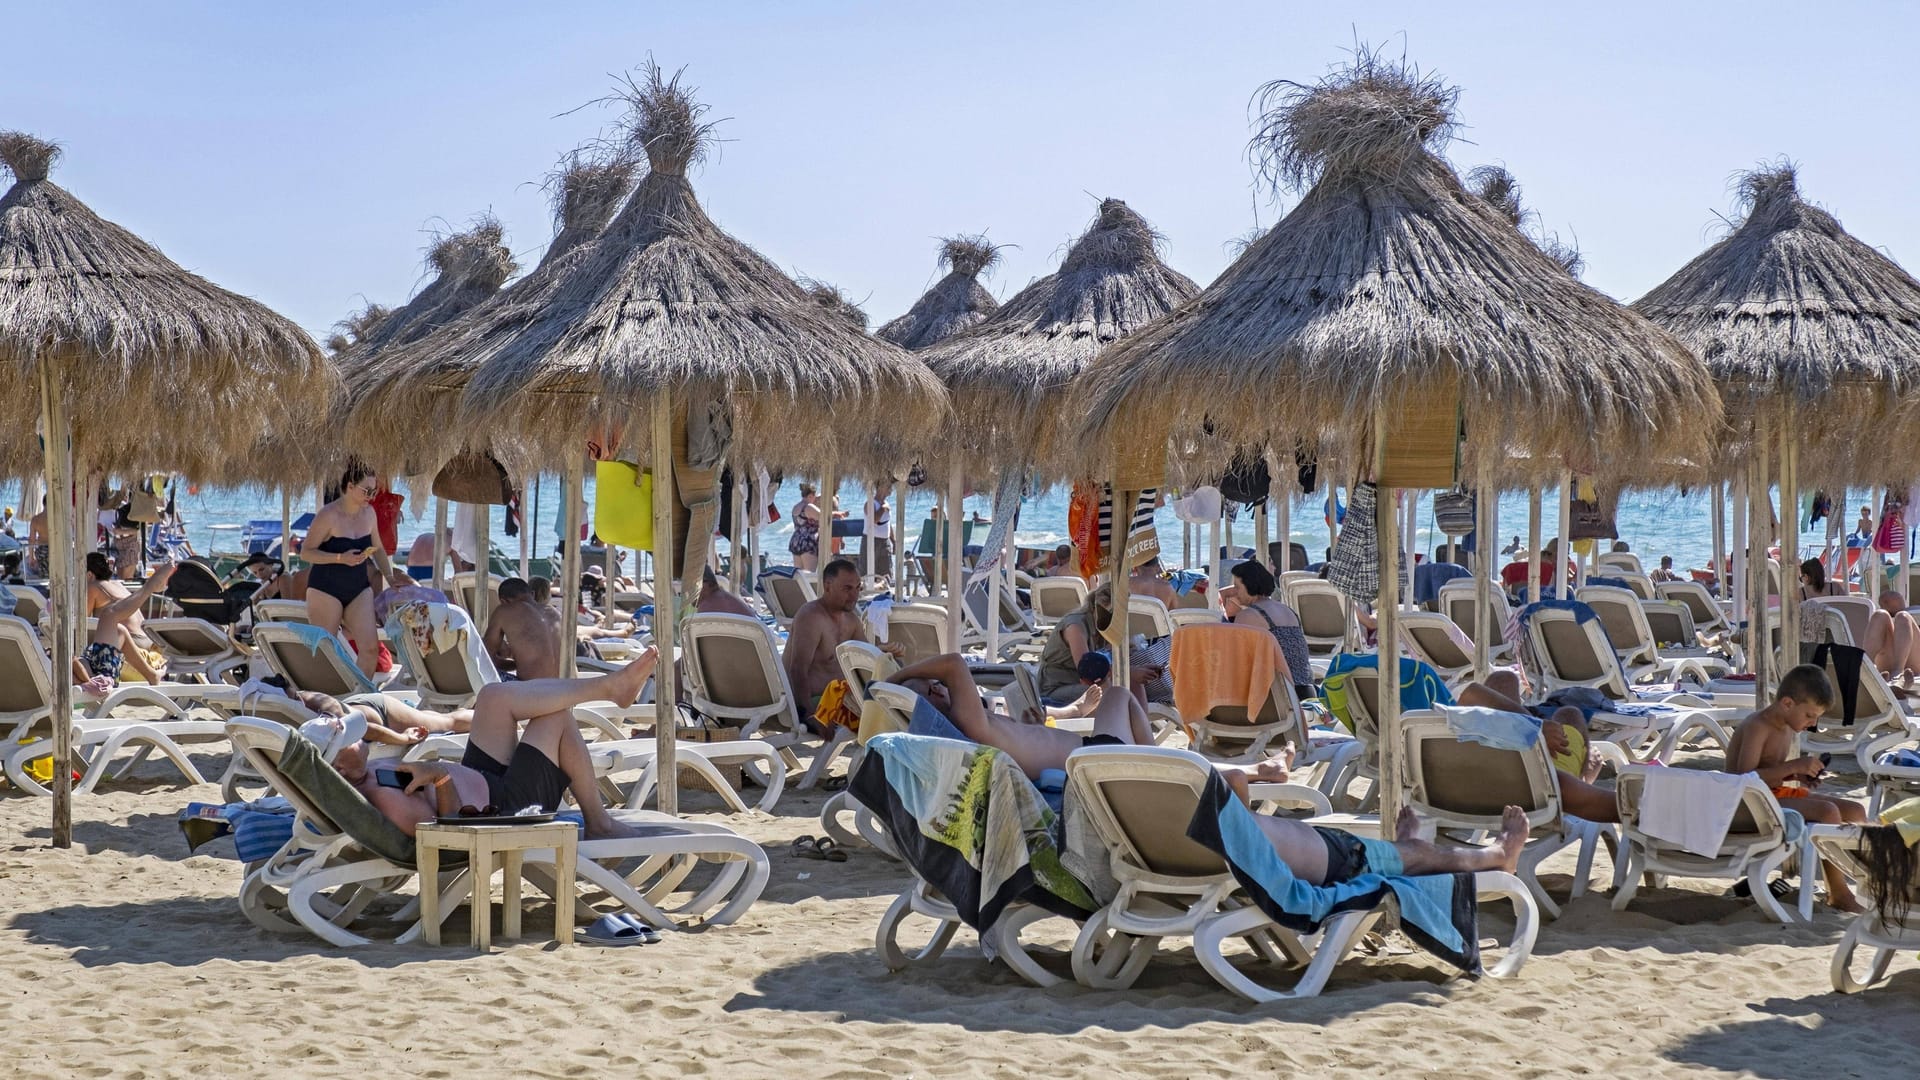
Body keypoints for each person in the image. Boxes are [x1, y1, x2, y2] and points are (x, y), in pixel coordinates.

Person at [335, 653, 657, 838]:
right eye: (341, 738)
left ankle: (609, 688)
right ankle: (599, 822)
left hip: (483, 779)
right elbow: (447, 832)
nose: (349, 730)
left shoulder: (363, 773)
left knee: (492, 696)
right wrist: (438, 775)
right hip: (503, 811)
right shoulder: (386, 801)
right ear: (338, 767)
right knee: (555, 717)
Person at [1724, 664, 1867, 912]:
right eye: (1810, 715)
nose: (1812, 723)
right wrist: (1795, 764)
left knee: (1854, 811)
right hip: (1746, 805)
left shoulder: (1788, 727)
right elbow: (1744, 779)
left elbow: (1773, 773)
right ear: (1788, 703)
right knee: (1828, 812)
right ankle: (1839, 893)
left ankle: (1867, 884)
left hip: (1771, 796)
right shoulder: (1758, 726)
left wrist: (1799, 777)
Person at [890, 651, 1154, 778]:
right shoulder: (968, 719)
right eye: (939, 685)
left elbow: (1021, 745)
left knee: (1117, 696)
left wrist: (1031, 726)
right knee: (1119, 694)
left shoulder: (969, 725)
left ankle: (1151, 768)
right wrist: (895, 677)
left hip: (1089, 756)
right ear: (936, 691)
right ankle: (1156, 767)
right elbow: (954, 663)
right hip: (1096, 759)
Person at [1453, 671, 1620, 823]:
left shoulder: (1427, 680)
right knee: (1570, 714)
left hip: (1474, 771)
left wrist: (1529, 726)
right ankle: (1582, 781)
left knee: (1503, 679)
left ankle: (1581, 781)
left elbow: (1470, 696)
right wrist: (1534, 729)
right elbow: (1622, 808)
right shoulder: (1553, 786)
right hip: (1527, 785)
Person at [304, 464, 402, 677]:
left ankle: (359, 700)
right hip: (325, 588)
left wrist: (390, 577)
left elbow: (377, 548)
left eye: (374, 491)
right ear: (350, 486)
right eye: (367, 491)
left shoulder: (369, 514)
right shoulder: (329, 515)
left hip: (358, 587)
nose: (371, 496)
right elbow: (306, 553)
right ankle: (325, 702)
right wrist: (339, 558)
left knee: (370, 649)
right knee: (325, 653)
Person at [781, 558, 899, 719]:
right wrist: (808, 716)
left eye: (858, 588)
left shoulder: (851, 620)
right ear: (828, 586)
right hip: (816, 704)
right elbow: (797, 669)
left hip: (844, 699)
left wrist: (884, 652)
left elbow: (866, 658)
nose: (854, 595)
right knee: (888, 713)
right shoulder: (811, 617)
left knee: (900, 687)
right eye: (847, 589)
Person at [1222, 560, 1315, 701]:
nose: (1234, 592)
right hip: (1307, 691)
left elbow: (1236, 660)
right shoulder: (1287, 610)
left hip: (1280, 697)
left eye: (1237, 587)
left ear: (1250, 586)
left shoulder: (1248, 616)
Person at [79, 558, 173, 685]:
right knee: (114, 625)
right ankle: (149, 587)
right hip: (153, 657)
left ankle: (149, 587)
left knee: (114, 625)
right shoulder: (117, 585)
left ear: (89, 575)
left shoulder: (93, 586)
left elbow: (80, 624)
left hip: (133, 659)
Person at [1036, 585, 1114, 705]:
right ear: (1095, 609)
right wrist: (1130, 673)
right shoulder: (1075, 626)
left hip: (1077, 682)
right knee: (1107, 694)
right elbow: (1089, 671)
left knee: (1125, 688)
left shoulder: (1103, 626)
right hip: (1056, 687)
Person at [297, 689, 470, 739]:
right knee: (437, 719)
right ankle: (464, 712)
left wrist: (403, 738)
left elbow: (366, 728)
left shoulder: (336, 724)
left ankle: (490, 717)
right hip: (362, 708)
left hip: (380, 714)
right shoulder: (283, 700)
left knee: (449, 724)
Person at [484, 576, 565, 680]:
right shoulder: (555, 613)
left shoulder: (504, 611)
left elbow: (486, 657)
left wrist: (517, 663)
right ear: (532, 594)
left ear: (503, 601)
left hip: (532, 689)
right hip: (566, 686)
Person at [1862, 592, 1920, 680]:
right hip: (1887, 666)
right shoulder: (1882, 619)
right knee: (1880, 615)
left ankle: (1898, 671)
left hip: (1913, 665)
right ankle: (1866, 667)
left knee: (1903, 617)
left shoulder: (1910, 612)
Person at [787, 482, 821, 572]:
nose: (815, 498)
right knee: (809, 574)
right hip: (808, 542)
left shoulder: (796, 507)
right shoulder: (809, 507)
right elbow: (825, 517)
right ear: (810, 495)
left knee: (799, 576)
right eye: (815, 496)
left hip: (796, 540)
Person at [863, 488, 893, 579]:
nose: (890, 489)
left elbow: (888, 523)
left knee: (886, 573)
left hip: (885, 541)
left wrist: (894, 541)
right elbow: (874, 520)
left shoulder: (887, 503)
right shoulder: (870, 503)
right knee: (868, 572)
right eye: (888, 486)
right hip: (872, 540)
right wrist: (883, 509)